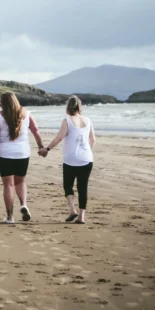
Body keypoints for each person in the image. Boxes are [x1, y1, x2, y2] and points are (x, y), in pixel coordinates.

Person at [39, 96, 95, 224]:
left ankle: (72, 210)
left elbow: (59, 137)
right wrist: (87, 152)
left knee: (68, 185)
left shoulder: (68, 120)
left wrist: (47, 149)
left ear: (68, 106)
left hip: (71, 159)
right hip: (87, 158)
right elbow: (93, 140)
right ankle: (81, 217)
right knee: (83, 187)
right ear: (79, 106)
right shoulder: (88, 120)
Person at [0, 92, 44, 224]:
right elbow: (36, 130)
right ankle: (24, 204)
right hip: (22, 153)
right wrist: (41, 146)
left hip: (5, 153)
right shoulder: (26, 114)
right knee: (20, 182)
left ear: (2, 103)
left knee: (8, 185)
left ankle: (10, 217)